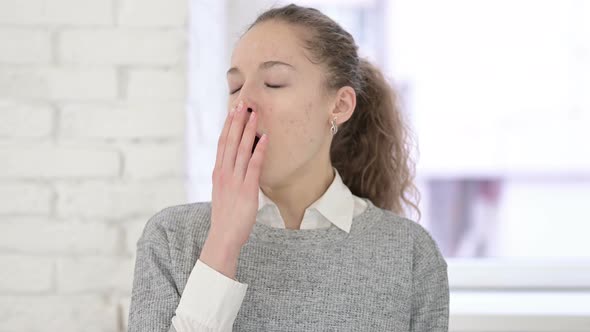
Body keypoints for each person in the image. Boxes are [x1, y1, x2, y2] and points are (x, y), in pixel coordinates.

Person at [128, 3, 449, 331]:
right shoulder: (172, 238)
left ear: (339, 106)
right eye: (235, 87)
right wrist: (223, 241)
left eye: (274, 82)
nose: (243, 102)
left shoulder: (409, 253)